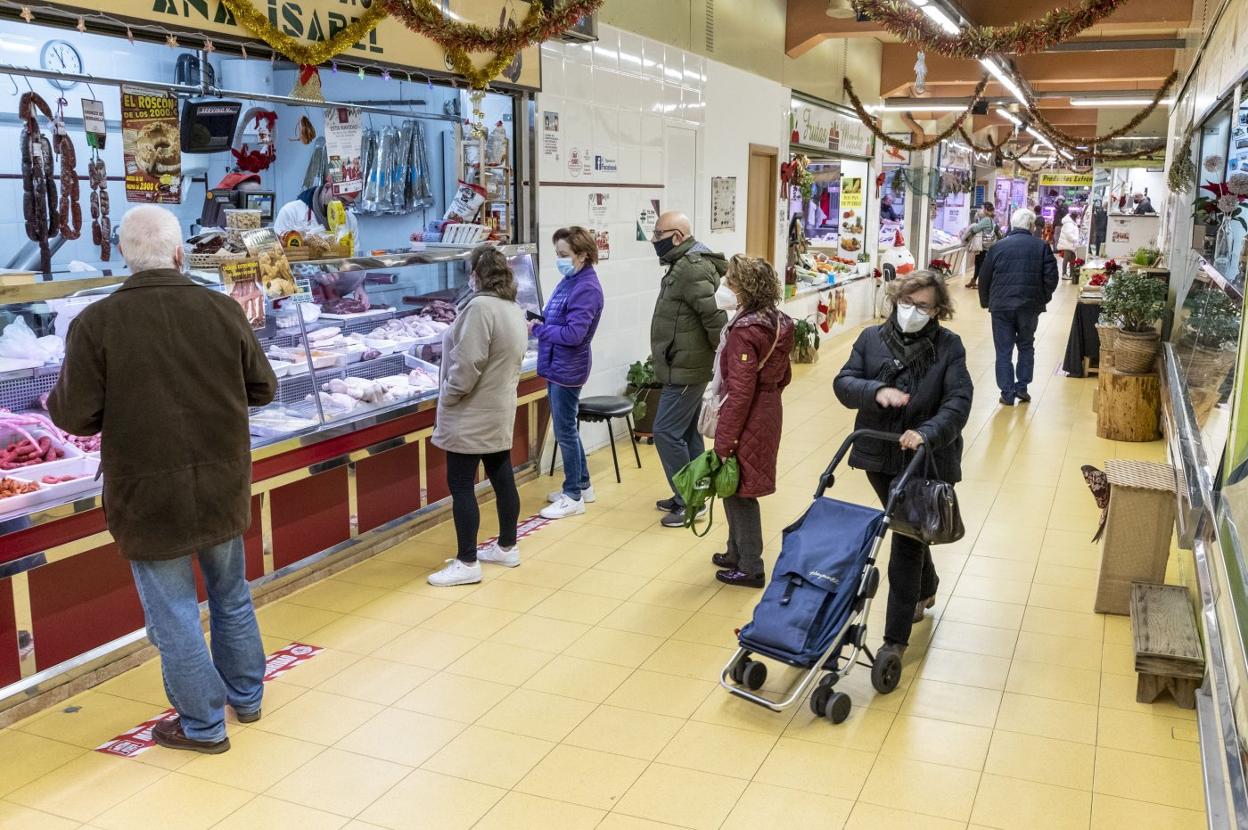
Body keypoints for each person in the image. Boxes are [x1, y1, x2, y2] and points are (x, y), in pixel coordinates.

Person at [48, 205, 278, 755]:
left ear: (124, 257)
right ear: (180, 254)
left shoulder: (95, 324)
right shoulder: (223, 309)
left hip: (148, 493)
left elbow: (75, 416)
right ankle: (246, 698)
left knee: (174, 612)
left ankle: (203, 725)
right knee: (231, 594)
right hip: (222, 481)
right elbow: (263, 388)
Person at [833, 271, 971, 663]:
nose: (912, 312)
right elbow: (844, 384)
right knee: (909, 526)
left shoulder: (949, 347)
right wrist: (876, 391)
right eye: (906, 304)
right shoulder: (870, 340)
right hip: (879, 454)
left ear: (938, 309)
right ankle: (927, 585)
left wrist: (927, 432)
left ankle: (894, 640)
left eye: (923, 306)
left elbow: (958, 402)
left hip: (926, 458)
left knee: (905, 540)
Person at [428, 246, 529, 586]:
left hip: (471, 412)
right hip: (498, 407)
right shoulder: (511, 307)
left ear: (477, 274)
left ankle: (467, 561)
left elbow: (468, 363)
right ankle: (506, 545)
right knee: (502, 478)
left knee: (460, 485)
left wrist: (450, 393)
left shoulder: (480, 308)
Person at [709, 256, 794, 588]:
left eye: (730, 281)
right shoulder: (778, 321)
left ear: (744, 288)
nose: (725, 287)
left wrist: (725, 440)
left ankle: (750, 566)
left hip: (748, 413)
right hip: (769, 407)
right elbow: (783, 374)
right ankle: (735, 552)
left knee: (739, 489)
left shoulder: (745, 331)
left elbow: (741, 391)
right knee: (735, 485)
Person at [649, 210, 729, 528]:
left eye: (659, 235)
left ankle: (691, 501)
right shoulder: (684, 264)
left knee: (665, 432)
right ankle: (695, 493)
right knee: (686, 432)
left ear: (678, 237)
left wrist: (722, 359)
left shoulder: (691, 267)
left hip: (688, 366)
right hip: (682, 363)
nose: (654, 241)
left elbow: (714, 318)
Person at [535, 227, 605, 520]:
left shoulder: (586, 287)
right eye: (557, 254)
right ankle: (583, 485)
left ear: (583, 255)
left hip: (568, 366)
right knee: (567, 427)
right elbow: (559, 316)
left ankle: (572, 495)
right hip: (557, 362)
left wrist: (539, 329)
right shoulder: (571, 279)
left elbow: (575, 333)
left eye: (564, 254)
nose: (559, 260)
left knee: (564, 429)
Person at [978, 208, 1059, 406]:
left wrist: (987, 301)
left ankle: (1006, 392)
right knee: (1026, 345)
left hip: (1001, 307)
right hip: (1029, 306)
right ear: (1031, 226)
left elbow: (984, 277)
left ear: (1013, 225)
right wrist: (1042, 298)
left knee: (1003, 350)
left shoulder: (998, 247)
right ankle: (1022, 388)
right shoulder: (1041, 247)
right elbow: (1052, 278)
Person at [274, 180, 364, 304]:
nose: (342, 208)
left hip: (333, 293)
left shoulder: (350, 219)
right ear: (327, 187)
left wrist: (358, 287)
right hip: (298, 293)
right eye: (341, 201)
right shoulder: (292, 211)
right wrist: (316, 270)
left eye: (348, 204)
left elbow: (354, 260)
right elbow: (277, 259)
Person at [963, 202, 999, 289]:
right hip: (986, 246)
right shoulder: (990, 219)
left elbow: (975, 229)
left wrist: (966, 238)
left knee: (980, 264)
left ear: (986, 210)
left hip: (983, 246)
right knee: (978, 263)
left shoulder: (986, 219)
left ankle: (981, 283)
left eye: (982, 208)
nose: (980, 210)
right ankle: (974, 280)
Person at [1056, 209, 1081, 280]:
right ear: (1073, 216)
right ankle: (1064, 274)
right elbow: (1068, 234)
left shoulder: (1071, 222)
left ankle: (1072, 274)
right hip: (1068, 244)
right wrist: (1075, 239)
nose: (1077, 218)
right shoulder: (1069, 223)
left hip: (1070, 244)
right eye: (1076, 217)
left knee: (1072, 259)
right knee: (1066, 259)